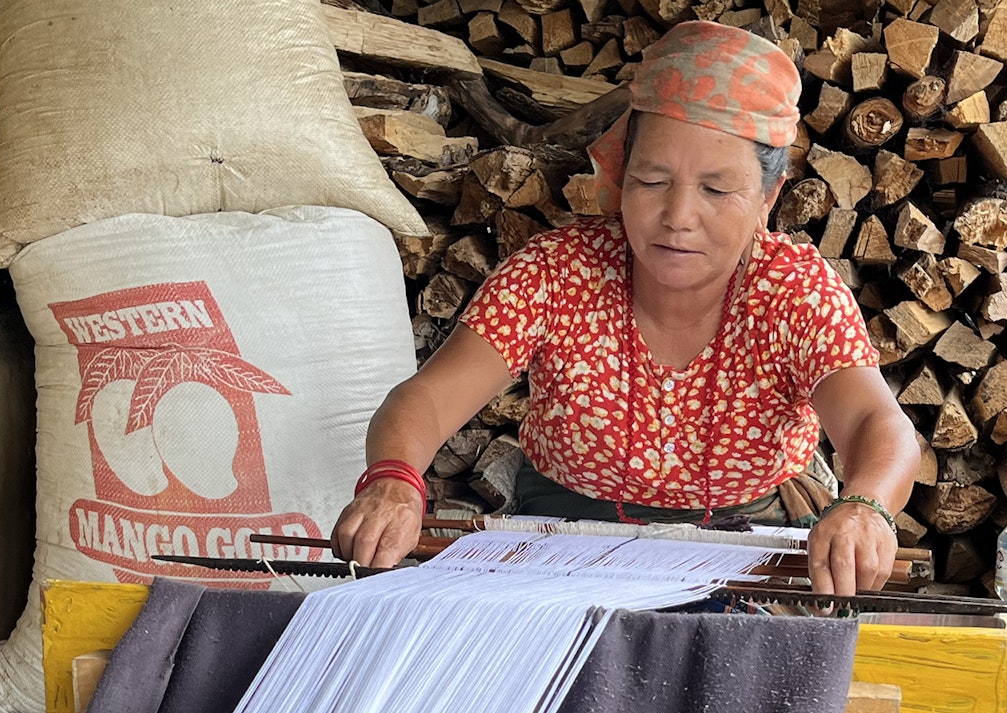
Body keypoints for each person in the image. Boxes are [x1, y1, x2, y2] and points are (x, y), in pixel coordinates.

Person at [332, 21, 920, 596]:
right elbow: (427, 400)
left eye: (716, 190)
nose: (679, 216)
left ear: (768, 195)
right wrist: (394, 482)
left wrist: (865, 507)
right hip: (563, 547)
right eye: (651, 181)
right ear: (620, 178)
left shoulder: (792, 292)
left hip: (748, 551)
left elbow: (878, 424)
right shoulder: (557, 274)